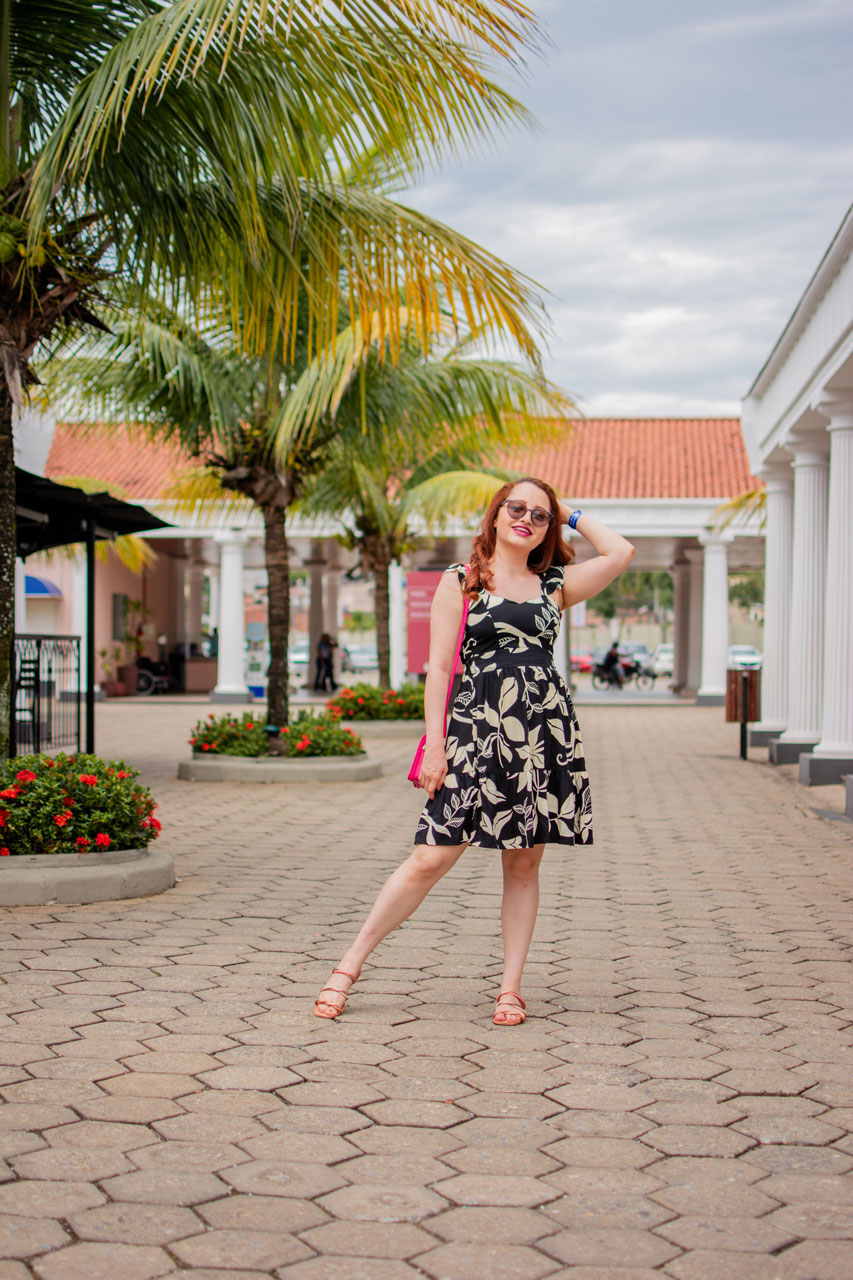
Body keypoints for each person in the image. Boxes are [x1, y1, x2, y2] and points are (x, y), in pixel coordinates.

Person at [314, 478, 635, 1025]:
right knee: (430, 856)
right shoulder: (462, 581)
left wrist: (569, 514)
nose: (527, 520)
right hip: (474, 730)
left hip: (541, 735)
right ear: (495, 515)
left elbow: (622, 552)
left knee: (525, 863)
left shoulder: (555, 584)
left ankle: (510, 989)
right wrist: (435, 746)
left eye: (540, 515)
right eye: (517, 508)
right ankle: (349, 964)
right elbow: (439, 668)